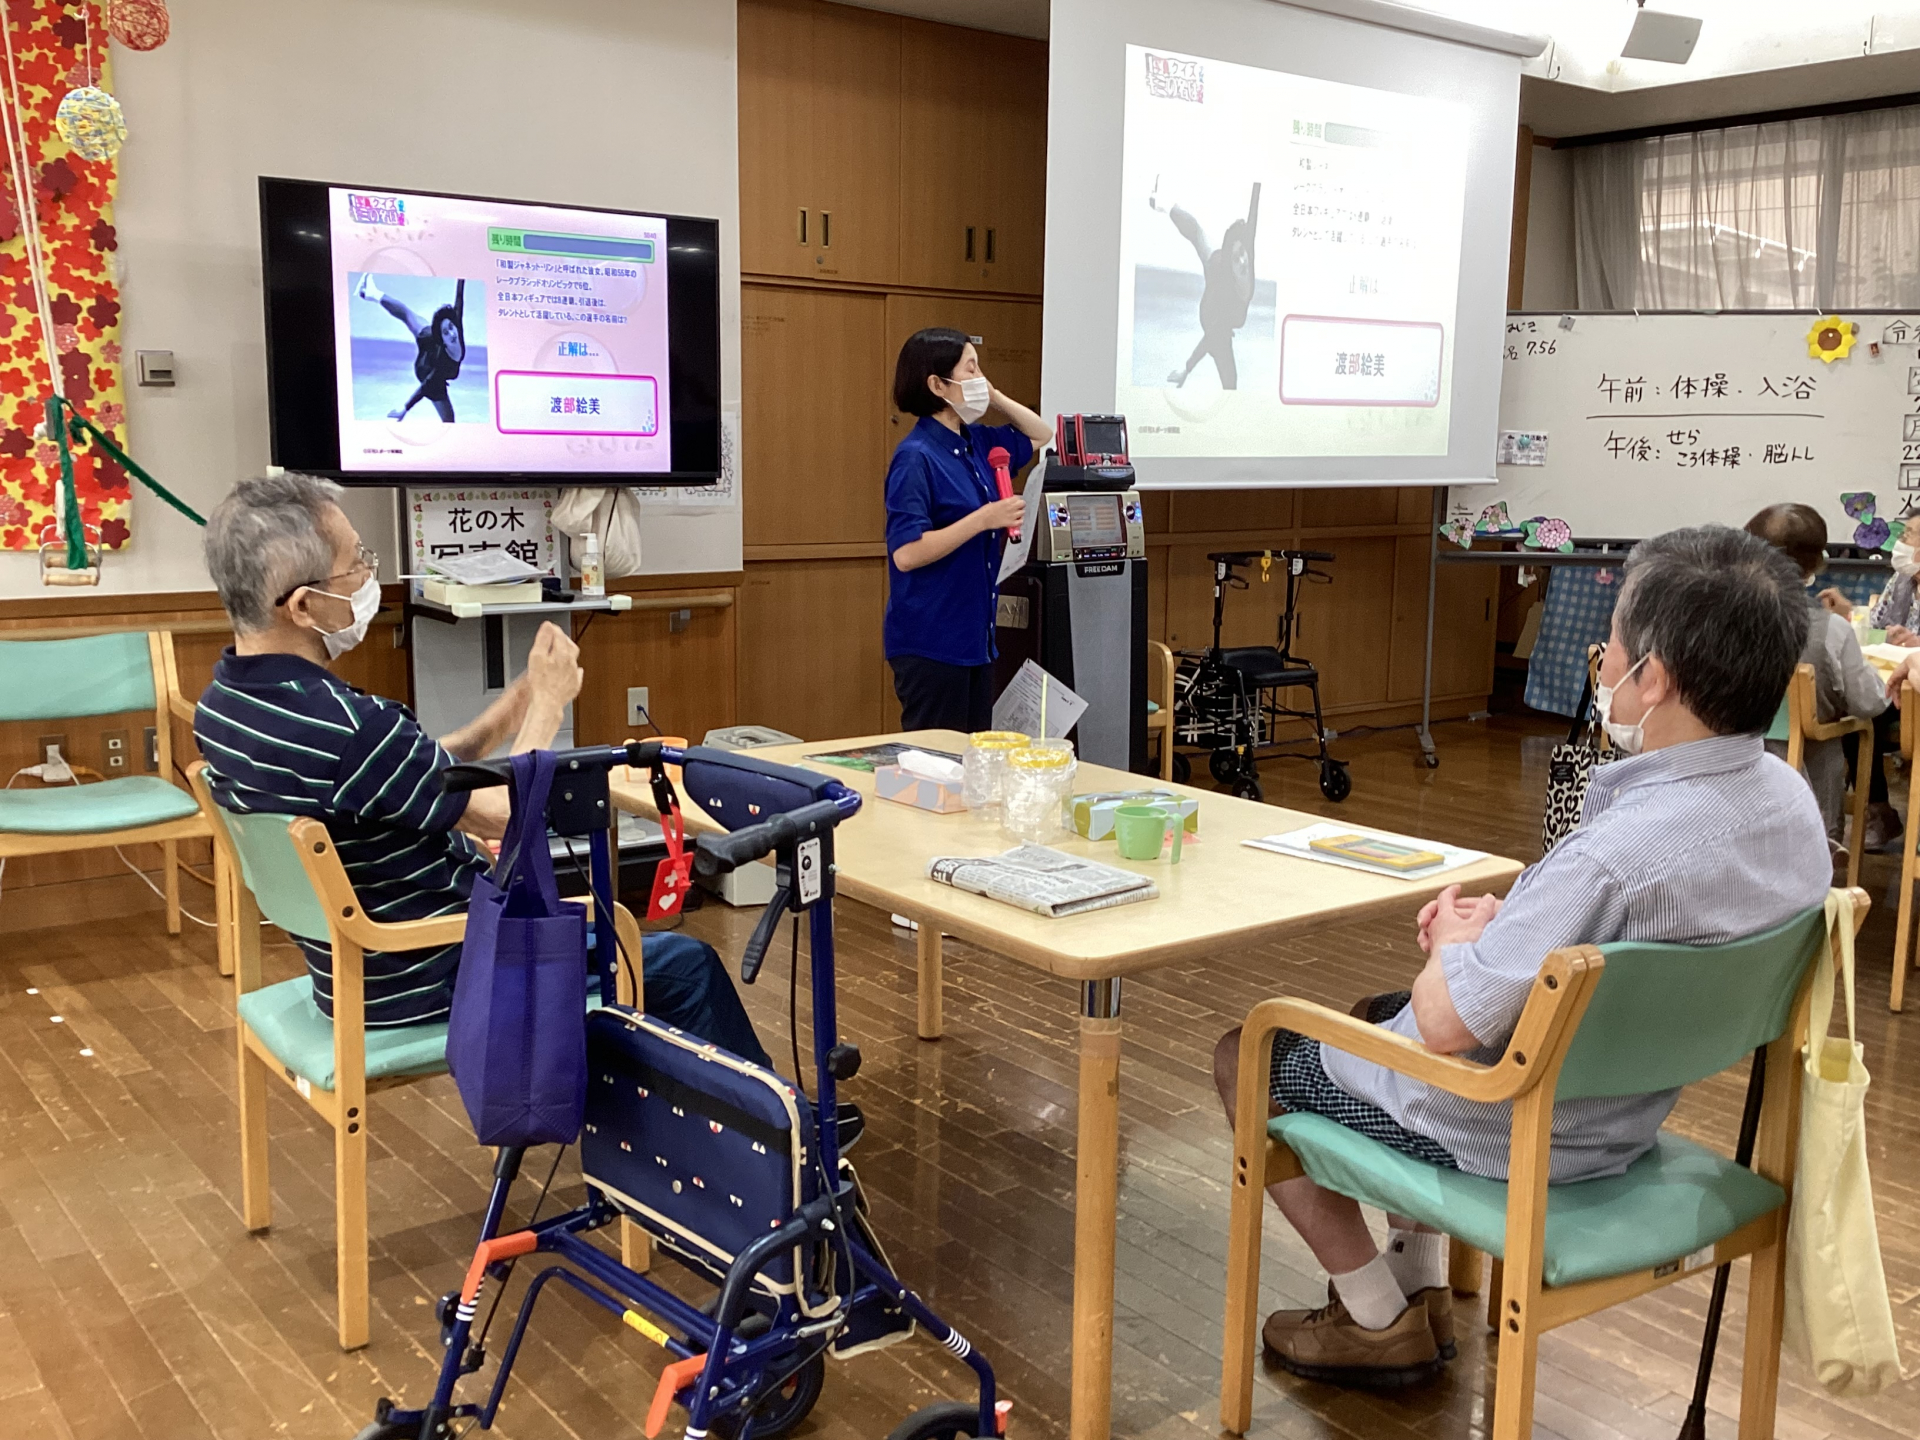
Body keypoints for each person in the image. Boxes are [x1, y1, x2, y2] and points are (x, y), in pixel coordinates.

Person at [1211, 525, 1829, 1387]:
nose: (1603, 664)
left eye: (1612, 645)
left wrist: (1455, 944)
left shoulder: (1615, 856)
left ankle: (1375, 1318)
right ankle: (1420, 1281)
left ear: (1654, 679)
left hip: (1523, 1131)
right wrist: (1518, 924)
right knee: (1369, 1015)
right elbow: (1651, 941)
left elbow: (1444, 1025)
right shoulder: (1790, 804)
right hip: (1627, 1106)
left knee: (1250, 1051)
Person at [194, 473, 770, 1065]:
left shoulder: (224, 707)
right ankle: (771, 1114)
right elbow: (508, 820)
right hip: (439, 970)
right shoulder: (349, 728)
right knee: (685, 966)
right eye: (355, 567)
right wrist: (547, 709)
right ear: (303, 606)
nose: (367, 577)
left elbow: (411, 773)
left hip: (351, 975)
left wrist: (515, 702)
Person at [884, 328, 1052, 732]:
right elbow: (906, 553)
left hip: (976, 638)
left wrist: (994, 396)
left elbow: (1040, 434)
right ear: (937, 385)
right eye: (970, 369)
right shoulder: (915, 457)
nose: (980, 378)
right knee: (938, 759)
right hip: (932, 641)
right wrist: (984, 519)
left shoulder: (977, 441)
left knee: (974, 757)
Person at [1746, 504, 1894, 858]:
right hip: (1810, 787)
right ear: (1816, 564)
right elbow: (1869, 703)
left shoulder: (1721, 621)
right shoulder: (1832, 629)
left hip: (1738, 771)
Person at [1151, 179, 1260, 390]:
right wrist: (1186, 369)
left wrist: (1259, 179)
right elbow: (1211, 336)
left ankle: (1161, 203)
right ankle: (1162, 202)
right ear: (1229, 263)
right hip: (1211, 314)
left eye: (1242, 253)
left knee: (1198, 234)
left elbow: (1254, 211)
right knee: (1231, 383)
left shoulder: (1246, 254)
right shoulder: (1225, 292)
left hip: (1221, 284)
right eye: (1235, 258)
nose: (1242, 261)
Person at [359, 274, 467, 422]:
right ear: (441, 339)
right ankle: (372, 293)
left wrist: (463, 273)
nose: (452, 334)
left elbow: (459, 296)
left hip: (434, 343)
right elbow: (425, 387)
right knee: (449, 419)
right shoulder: (440, 366)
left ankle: (370, 294)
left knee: (411, 317)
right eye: (446, 332)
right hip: (425, 367)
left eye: (451, 327)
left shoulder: (456, 327)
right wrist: (405, 409)